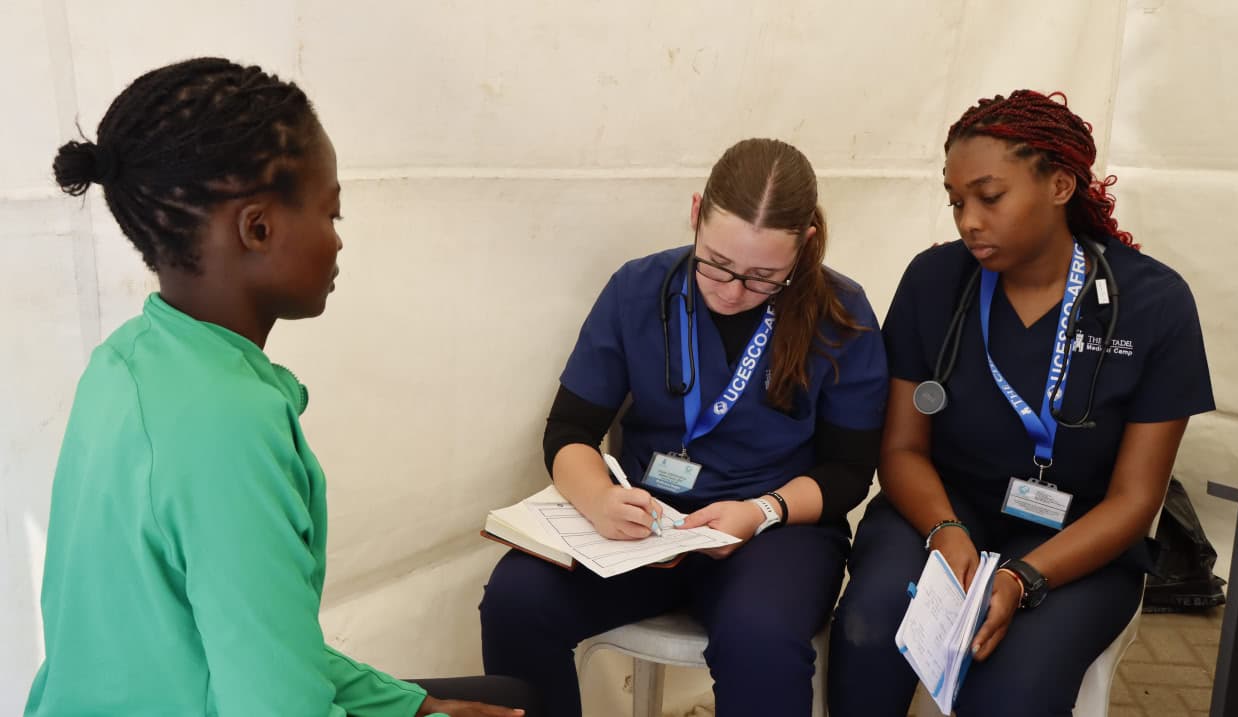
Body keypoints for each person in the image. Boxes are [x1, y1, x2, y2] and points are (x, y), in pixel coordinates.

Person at [27, 57, 538, 717]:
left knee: (501, 697)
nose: (337, 242)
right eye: (331, 214)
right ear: (258, 227)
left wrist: (412, 706)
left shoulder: (125, 360)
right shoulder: (229, 423)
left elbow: (252, 638)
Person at [828, 90, 1215, 716]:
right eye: (956, 202)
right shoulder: (934, 282)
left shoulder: (1154, 304)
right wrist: (946, 532)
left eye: (990, 196)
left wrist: (1021, 576)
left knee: (1013, 684)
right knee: (869, 631)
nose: (968, 220)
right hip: (941, 513)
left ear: (1060, 184)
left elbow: (1135, 500)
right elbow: (900, 449)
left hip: (1081, 539)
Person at [479, 138, 889, 716]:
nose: (731, 290)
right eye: (716, 263)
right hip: (646, 526)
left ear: (807, 245)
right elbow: (570, 429)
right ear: (696, 213)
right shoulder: (637, 289)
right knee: (516, 599)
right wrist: (599, 499)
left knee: (761, 641)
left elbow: (849, 473)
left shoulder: (841, 315)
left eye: (762, 276)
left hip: (774, 532)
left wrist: (761, 511)